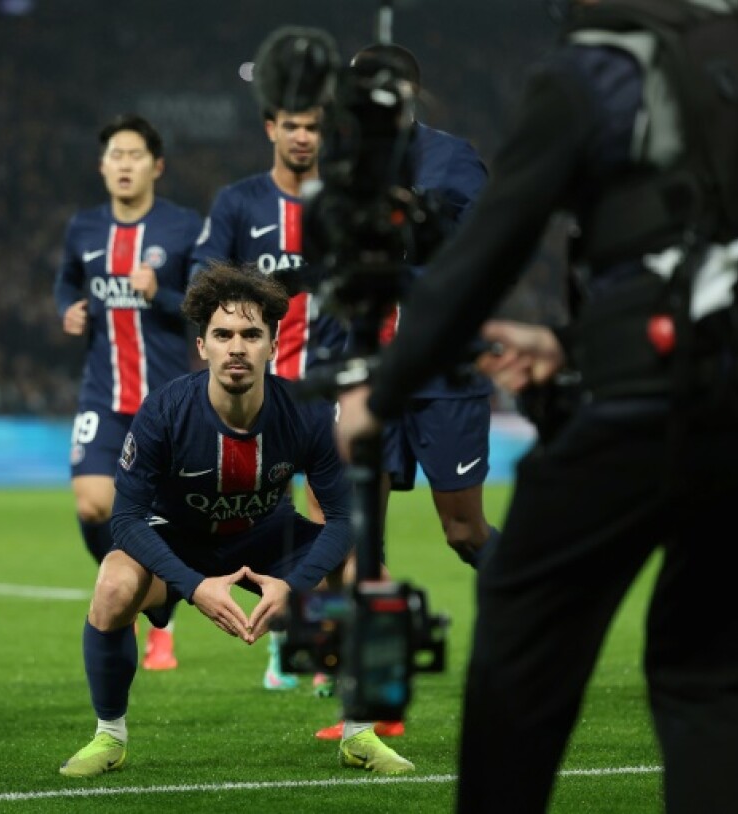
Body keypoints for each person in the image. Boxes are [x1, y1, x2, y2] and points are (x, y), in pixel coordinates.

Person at [337, 0, 738, 811]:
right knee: (708, 682)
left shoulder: (597, 67)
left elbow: (485, 250)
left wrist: (383, 392)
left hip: (657, 405)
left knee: (522, 636)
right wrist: (577, 344)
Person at [59, 263, 415, 777]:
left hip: (269, 538)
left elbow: (344, 517)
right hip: (179, 541)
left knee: (370, 572)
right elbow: (127, 520)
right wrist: (195, 586)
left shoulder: (309, 412)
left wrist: (295, 586)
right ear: (202, 345)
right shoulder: (163, 411)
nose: (237, 347)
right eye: (223, 334)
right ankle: (109, 736)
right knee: (113, 584)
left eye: (252, 334)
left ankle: (361, 733)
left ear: (273, 343)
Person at [312, 42, 502, 740]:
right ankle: (375, 701)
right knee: (356, 535)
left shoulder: (454, 159)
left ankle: (545, 611)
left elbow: (484, 247)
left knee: (464, 530)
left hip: (442, 373)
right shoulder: (338, 165)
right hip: (365, 373)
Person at [190, 103, 345, 690]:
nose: (303, 136)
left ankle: (328, 657)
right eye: (293, 125)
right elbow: (205, 282)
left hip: (334, 384)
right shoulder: (239, 202)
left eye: (313, 127)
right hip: (263, 393)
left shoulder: (341, 204)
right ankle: (287, 641)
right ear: (271, 129)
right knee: (272, 516)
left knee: (335, 520)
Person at [55, 114, 202, 671]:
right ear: (102, 166)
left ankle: (153, 606)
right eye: (114, 154)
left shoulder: (184, 228)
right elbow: (66, 280)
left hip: (165, 402)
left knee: (161, 515)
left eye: (134, 155)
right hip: (102, 395)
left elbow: (202, 303)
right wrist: (65, 309)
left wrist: (161, 294)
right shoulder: (84, 229)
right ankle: (145, 600)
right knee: (94, 503)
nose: (123, 164)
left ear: (156, 166)